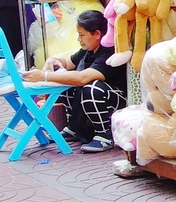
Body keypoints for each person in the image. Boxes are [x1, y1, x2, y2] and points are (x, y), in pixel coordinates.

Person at [24, 10, 126, 152]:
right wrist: (54, 61)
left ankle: (104, 135)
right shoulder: (89, 49)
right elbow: (68, 62)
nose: (79, 39)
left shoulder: (109, 51)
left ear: (97, 34)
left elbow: (82, 78)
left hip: (117, 100)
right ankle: (74, 127)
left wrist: (44, 76)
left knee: (91, 88)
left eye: (82, 35)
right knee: (66, 82)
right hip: (98, 98)